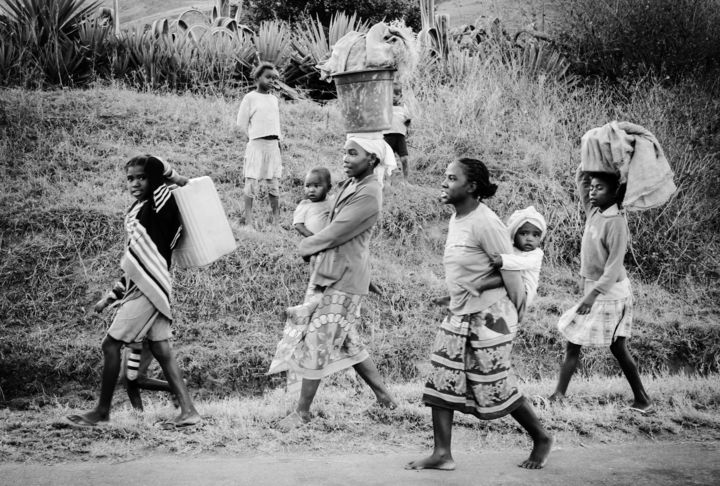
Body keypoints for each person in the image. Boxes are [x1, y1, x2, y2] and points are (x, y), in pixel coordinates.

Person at [407, 158, 552, 471]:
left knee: (494, 382)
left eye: (451, 178)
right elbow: (471, 268)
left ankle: (541, 437)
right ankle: (442, 454)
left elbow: (511, 273)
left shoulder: (486, 222)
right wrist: (455, 294)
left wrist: (515, 313)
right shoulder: (458, 218)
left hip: (492, 316)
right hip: (461, 311)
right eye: (445, 177)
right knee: (442, 376)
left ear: (471, 186)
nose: (444, 183)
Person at [269, 134, 398, 430]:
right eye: (344, 152)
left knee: (318, 340)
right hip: (336, 272)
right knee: (349, 341)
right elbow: (351, 238)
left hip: (341, 277)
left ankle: (302, 412)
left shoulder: (369, 192)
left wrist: (306, 246)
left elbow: (338, 231)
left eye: (353, 153)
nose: (345, 158)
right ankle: (385, 398)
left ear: (372, 160)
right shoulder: (351, 185)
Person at [66, 155, 201, 428]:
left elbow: (156, 164)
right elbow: (135, 263)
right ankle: (189, 412)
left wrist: (178, 179)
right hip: (147, 285)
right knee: (162, 349)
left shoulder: (160, 203)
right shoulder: (138, 208)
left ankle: (102, 411)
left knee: (110, 344)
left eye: (141, 177)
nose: (135, 182)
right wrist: (112, 295)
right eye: (130, 178)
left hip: (149, 289)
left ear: (154, 180)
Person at [550, 170, 652, 413]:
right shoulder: (594, 211)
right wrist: (588, 161)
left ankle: (642, 400)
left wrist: (592, 295)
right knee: (587, 343)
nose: (592, 192)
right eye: (592, 188)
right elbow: (582, 181)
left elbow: (613, 267)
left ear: (616, 192)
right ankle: (559, 395)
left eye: (600, 188)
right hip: (597, 290)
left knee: (597, 343)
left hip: (611, 293)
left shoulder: (617, 223)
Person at [459, 206, 546, 308]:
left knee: (508, 271)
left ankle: (478, 286)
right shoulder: (510, 249)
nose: (530, 239)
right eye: (523, 234)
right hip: (506, 289)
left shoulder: (536, 254)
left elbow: (523, 262)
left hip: (523, 292)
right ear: (514, 234)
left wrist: (503, 260)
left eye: (535, 235)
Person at [237, 62, 282, 227]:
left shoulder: (274, 99)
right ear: (257, 78)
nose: (271, 81)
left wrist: (278, 143)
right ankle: (248, 220)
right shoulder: (250, 98)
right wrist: (252, 140)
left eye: (274, 78)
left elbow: (275, 123)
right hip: (256, 144)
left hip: (273, 146)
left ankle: (276, 220)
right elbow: (242, 124)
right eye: (268, 77)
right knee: (251, 182)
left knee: (274, 184)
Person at [382, 84, 412, 180]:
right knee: (386, 160)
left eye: (396, 94)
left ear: (400, 96)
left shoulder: (404, 107)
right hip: (387, 136)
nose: (393, 96)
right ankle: (386, 180)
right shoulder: (385, 107)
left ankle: (405, 180)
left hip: (400, 136)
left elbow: (408, 122)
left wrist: (408, 122)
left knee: (404, 159)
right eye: (391, 94)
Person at [292, 167, 332, 238]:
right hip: (313, 243)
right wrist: (312, 238)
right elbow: (298, 225)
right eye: (307, 186)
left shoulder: (331, 202)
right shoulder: (304, 205)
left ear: (328, 188)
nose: (311, 190)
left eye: (316, 186)